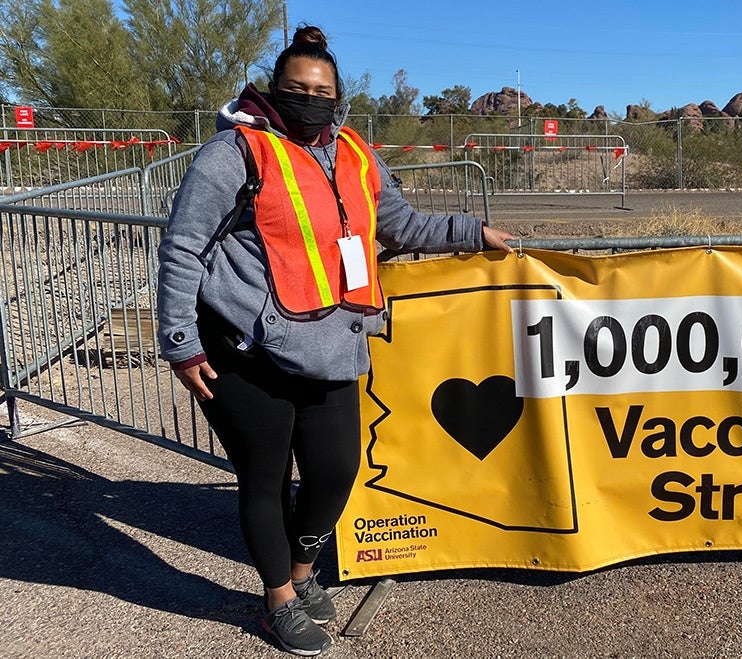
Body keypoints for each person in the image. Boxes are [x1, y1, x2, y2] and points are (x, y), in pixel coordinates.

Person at [156, 25, 513, 656]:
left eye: (322, 90)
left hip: (330, 341)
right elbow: (184, 246)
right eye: (297, 88)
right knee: (264, 479)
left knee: (335, 470)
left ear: (339, 95)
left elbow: (399, 224)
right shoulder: (234, 152)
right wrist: (181, 342)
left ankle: (300, 574)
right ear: (274, 90)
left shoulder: (354, 152)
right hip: (245, 348)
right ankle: (277, 602)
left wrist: (471, 230)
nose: (311, 99)